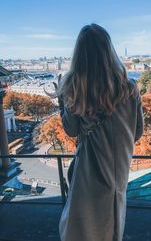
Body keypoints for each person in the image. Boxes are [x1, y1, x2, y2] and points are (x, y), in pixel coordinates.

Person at [53, 24, 144, 241]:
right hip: (119, 171)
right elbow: (137, 132)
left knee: (82, 227)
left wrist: (62, 100)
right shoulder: (129, 89)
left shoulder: (75, 87)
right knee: (111, 226)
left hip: (88, 171)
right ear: (109, 51)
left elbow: (71, 130)